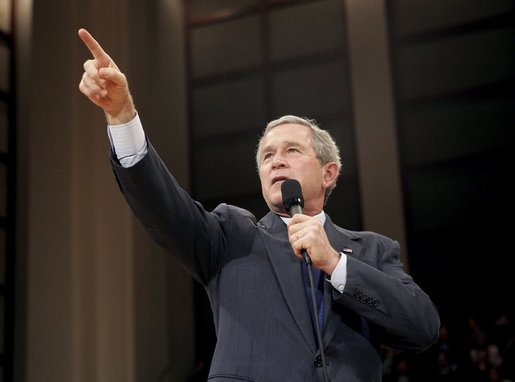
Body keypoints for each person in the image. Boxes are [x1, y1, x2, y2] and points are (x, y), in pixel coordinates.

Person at [78, 28, 440, 382]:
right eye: (267, 156)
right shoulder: (230, 235)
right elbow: (162, 205)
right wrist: (122, 114)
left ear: (329, 173)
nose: (276, 161)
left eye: (291, 151)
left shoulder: (372, 250)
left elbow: (422, 328)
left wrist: (334, 262)